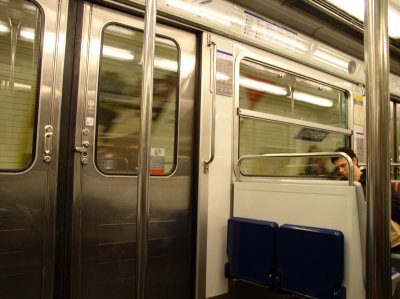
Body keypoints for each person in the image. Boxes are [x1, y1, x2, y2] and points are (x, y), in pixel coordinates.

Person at [331, 147, 400, 233]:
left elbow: (396, 208)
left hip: (376, 230)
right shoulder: (342, 184)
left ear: (354, 161)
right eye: (338, 168)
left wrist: (371, 207)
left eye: (343, 165)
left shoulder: (375, 180)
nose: (341, 171)